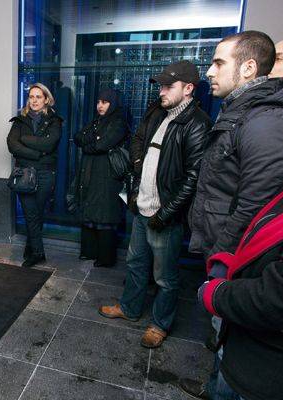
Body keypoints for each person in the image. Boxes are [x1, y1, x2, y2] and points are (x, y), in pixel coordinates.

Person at [183, 31, 283, 399]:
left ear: (248, 68)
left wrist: (223, 255)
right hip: (222, 246)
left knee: (230, 341)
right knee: (222, 336)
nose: (209, 71)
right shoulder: (240, 112)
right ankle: (214, 387)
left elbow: (257, 201)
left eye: (218, 63)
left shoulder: (264, 121)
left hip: (235, 255)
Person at [197, 87, 283, 400]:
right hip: (247, 349)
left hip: (270, 373)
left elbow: (279, 298)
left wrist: (216, 293)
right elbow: (266, 234)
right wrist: (231, 260)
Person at [98, 61, 211, 348]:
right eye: (161, 86)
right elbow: (138, 141)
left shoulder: (197, 123)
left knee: (165, 277)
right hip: (142, 207)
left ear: (188, 88)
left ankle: (160, 324)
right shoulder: (157, 113)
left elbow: (193, 177)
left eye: (168, 86)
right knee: (135, 263)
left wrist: (166, 213)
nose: (161, 91)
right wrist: (137, 174)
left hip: (165, 215)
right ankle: (130, 308)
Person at [7, 83, 63, 268]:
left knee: (37, 213)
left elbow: (49, 144)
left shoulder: (54, 120)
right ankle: (38, 253)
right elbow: (12, 145)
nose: (34, 100)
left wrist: (24, 140)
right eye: (31, 96)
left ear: (46, 99)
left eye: (38, 97)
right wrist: (37, 153)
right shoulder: (20, 120)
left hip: (45, 173)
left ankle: (31, 246)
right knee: (30, 213)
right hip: (24, 174)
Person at [73, 89, 129, 268]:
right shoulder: (96, 121)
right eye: (98, 102)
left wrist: (90, 143)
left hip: (108, 176)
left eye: (104, 102)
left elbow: (102, 144)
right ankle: (89, 252)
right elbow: (78, 137)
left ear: (113, 104)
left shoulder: (119, 122)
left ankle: (105, 258)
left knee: (105, 215)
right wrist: (93, 140)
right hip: (91, 173)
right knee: (90, 211)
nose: (100, 105)